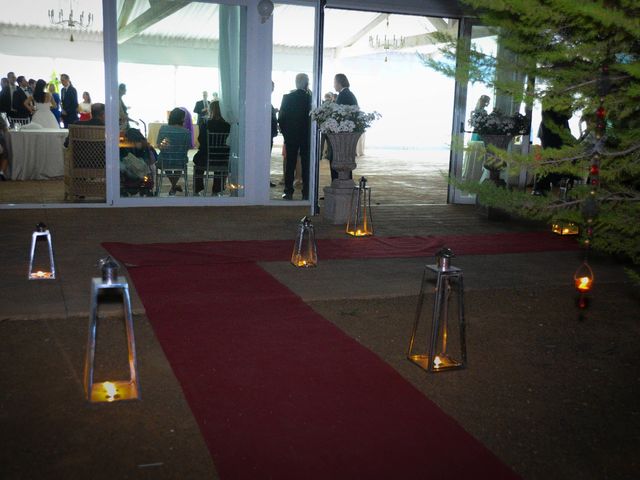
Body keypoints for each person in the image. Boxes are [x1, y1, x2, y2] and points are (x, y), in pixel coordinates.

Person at [278, 73, 312, 200]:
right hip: (306, 136)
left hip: (291, 136)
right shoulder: (311, 99)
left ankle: (288, 191)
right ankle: (306, 192)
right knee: (306, 164)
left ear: (296, 83)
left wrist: (286, 133)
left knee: (290, 163)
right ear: (307, 83)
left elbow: (281, 118)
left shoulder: (287, 97)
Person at [193, 100, 231, 195]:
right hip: (222, 158)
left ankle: (198, 189)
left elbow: (201, 140)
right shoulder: (228, 125)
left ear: (211, 110)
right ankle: (216, 190)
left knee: (197, 162)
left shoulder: (206, 124)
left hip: (205, 158)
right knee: (222, 163)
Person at [328, 73, 358, 181]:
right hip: (346, 134)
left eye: (334, 83)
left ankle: (338, 186)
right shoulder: (348, 94)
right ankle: (342, 186)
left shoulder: (343, 95)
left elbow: (338, 115)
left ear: (339, 83)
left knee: (337, 159)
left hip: (342, 136)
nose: (333, 85)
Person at [156, 107, 191, 195]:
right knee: (180, 160)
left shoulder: (163, 128)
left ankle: (173, 186)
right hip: (180, 161)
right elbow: (187, 147)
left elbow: (159, 145)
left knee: (166, 159)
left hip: (164, 160)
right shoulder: (186, 132)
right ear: (182, 119)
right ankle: (174, 186)